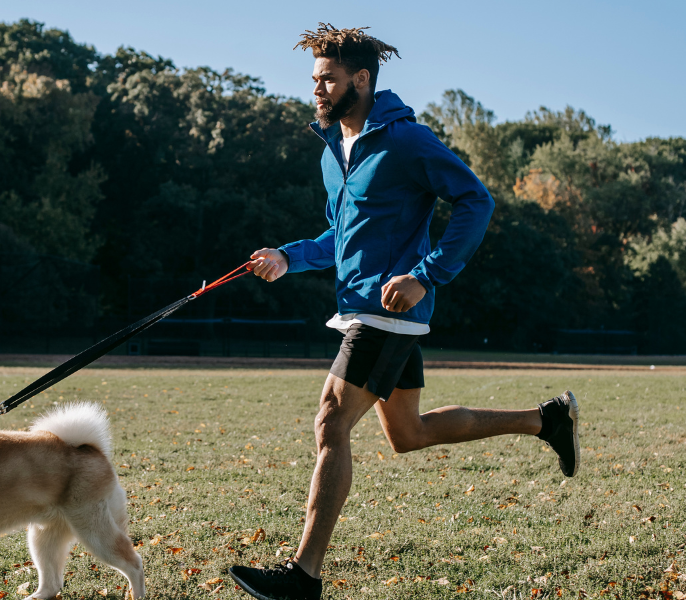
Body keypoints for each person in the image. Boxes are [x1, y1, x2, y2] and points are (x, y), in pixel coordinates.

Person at [227, 24, 580, 600]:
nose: (317, 90)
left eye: (329, 80)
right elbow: (340, 236)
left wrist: (426, 274)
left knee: (331, 422)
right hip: (363, 306)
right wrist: (287, 258)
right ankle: (547, 420)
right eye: (314, 80)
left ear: (360, 80)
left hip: (385, 310)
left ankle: (302, 577)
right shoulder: (334, 150)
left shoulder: (406, 141)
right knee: (408, 433)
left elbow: (476, 200)